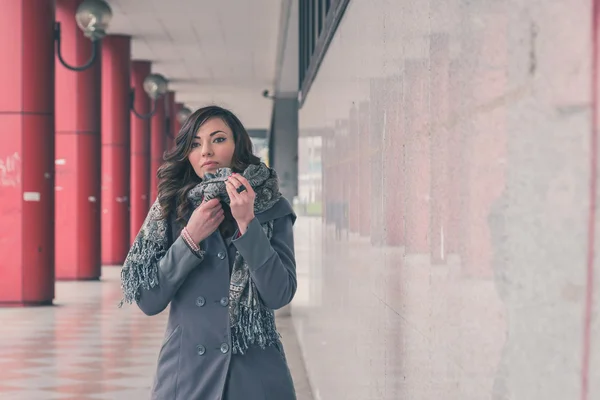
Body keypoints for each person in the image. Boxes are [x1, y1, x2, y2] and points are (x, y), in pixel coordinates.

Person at [119, 105, 298, 400]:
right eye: (195, 143)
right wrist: (190, 237)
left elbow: (279, 294)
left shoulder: (271, 207)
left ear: (238, 145)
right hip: (188, 375)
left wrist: (247, 223)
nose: (205, 151)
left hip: (254, 377)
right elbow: (149, 300)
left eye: (218, 139)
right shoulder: (169, 209)